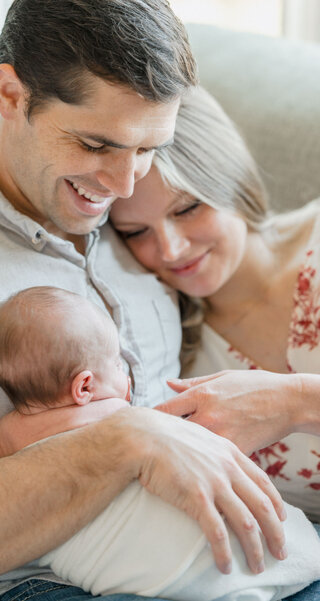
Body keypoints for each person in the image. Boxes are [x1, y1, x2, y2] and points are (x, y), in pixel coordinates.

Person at [0, 1, 288, 599]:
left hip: (227, 558)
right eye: (95, 145)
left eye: (147, 149)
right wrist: (123, 440)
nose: (123, 185)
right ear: (11, 94)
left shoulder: (143, 222)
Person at [0, 285, 320, 601]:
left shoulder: (4, 436)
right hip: (184, 564)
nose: (123, 373)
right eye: (114, 363)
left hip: (119, 572)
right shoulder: (114, 413)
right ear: (84, 387)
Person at [110, 85, 320, 530]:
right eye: (135, 232)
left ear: (233, 177)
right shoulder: (171, 355)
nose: (170, 248)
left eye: (187, 208)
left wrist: (295, 401)